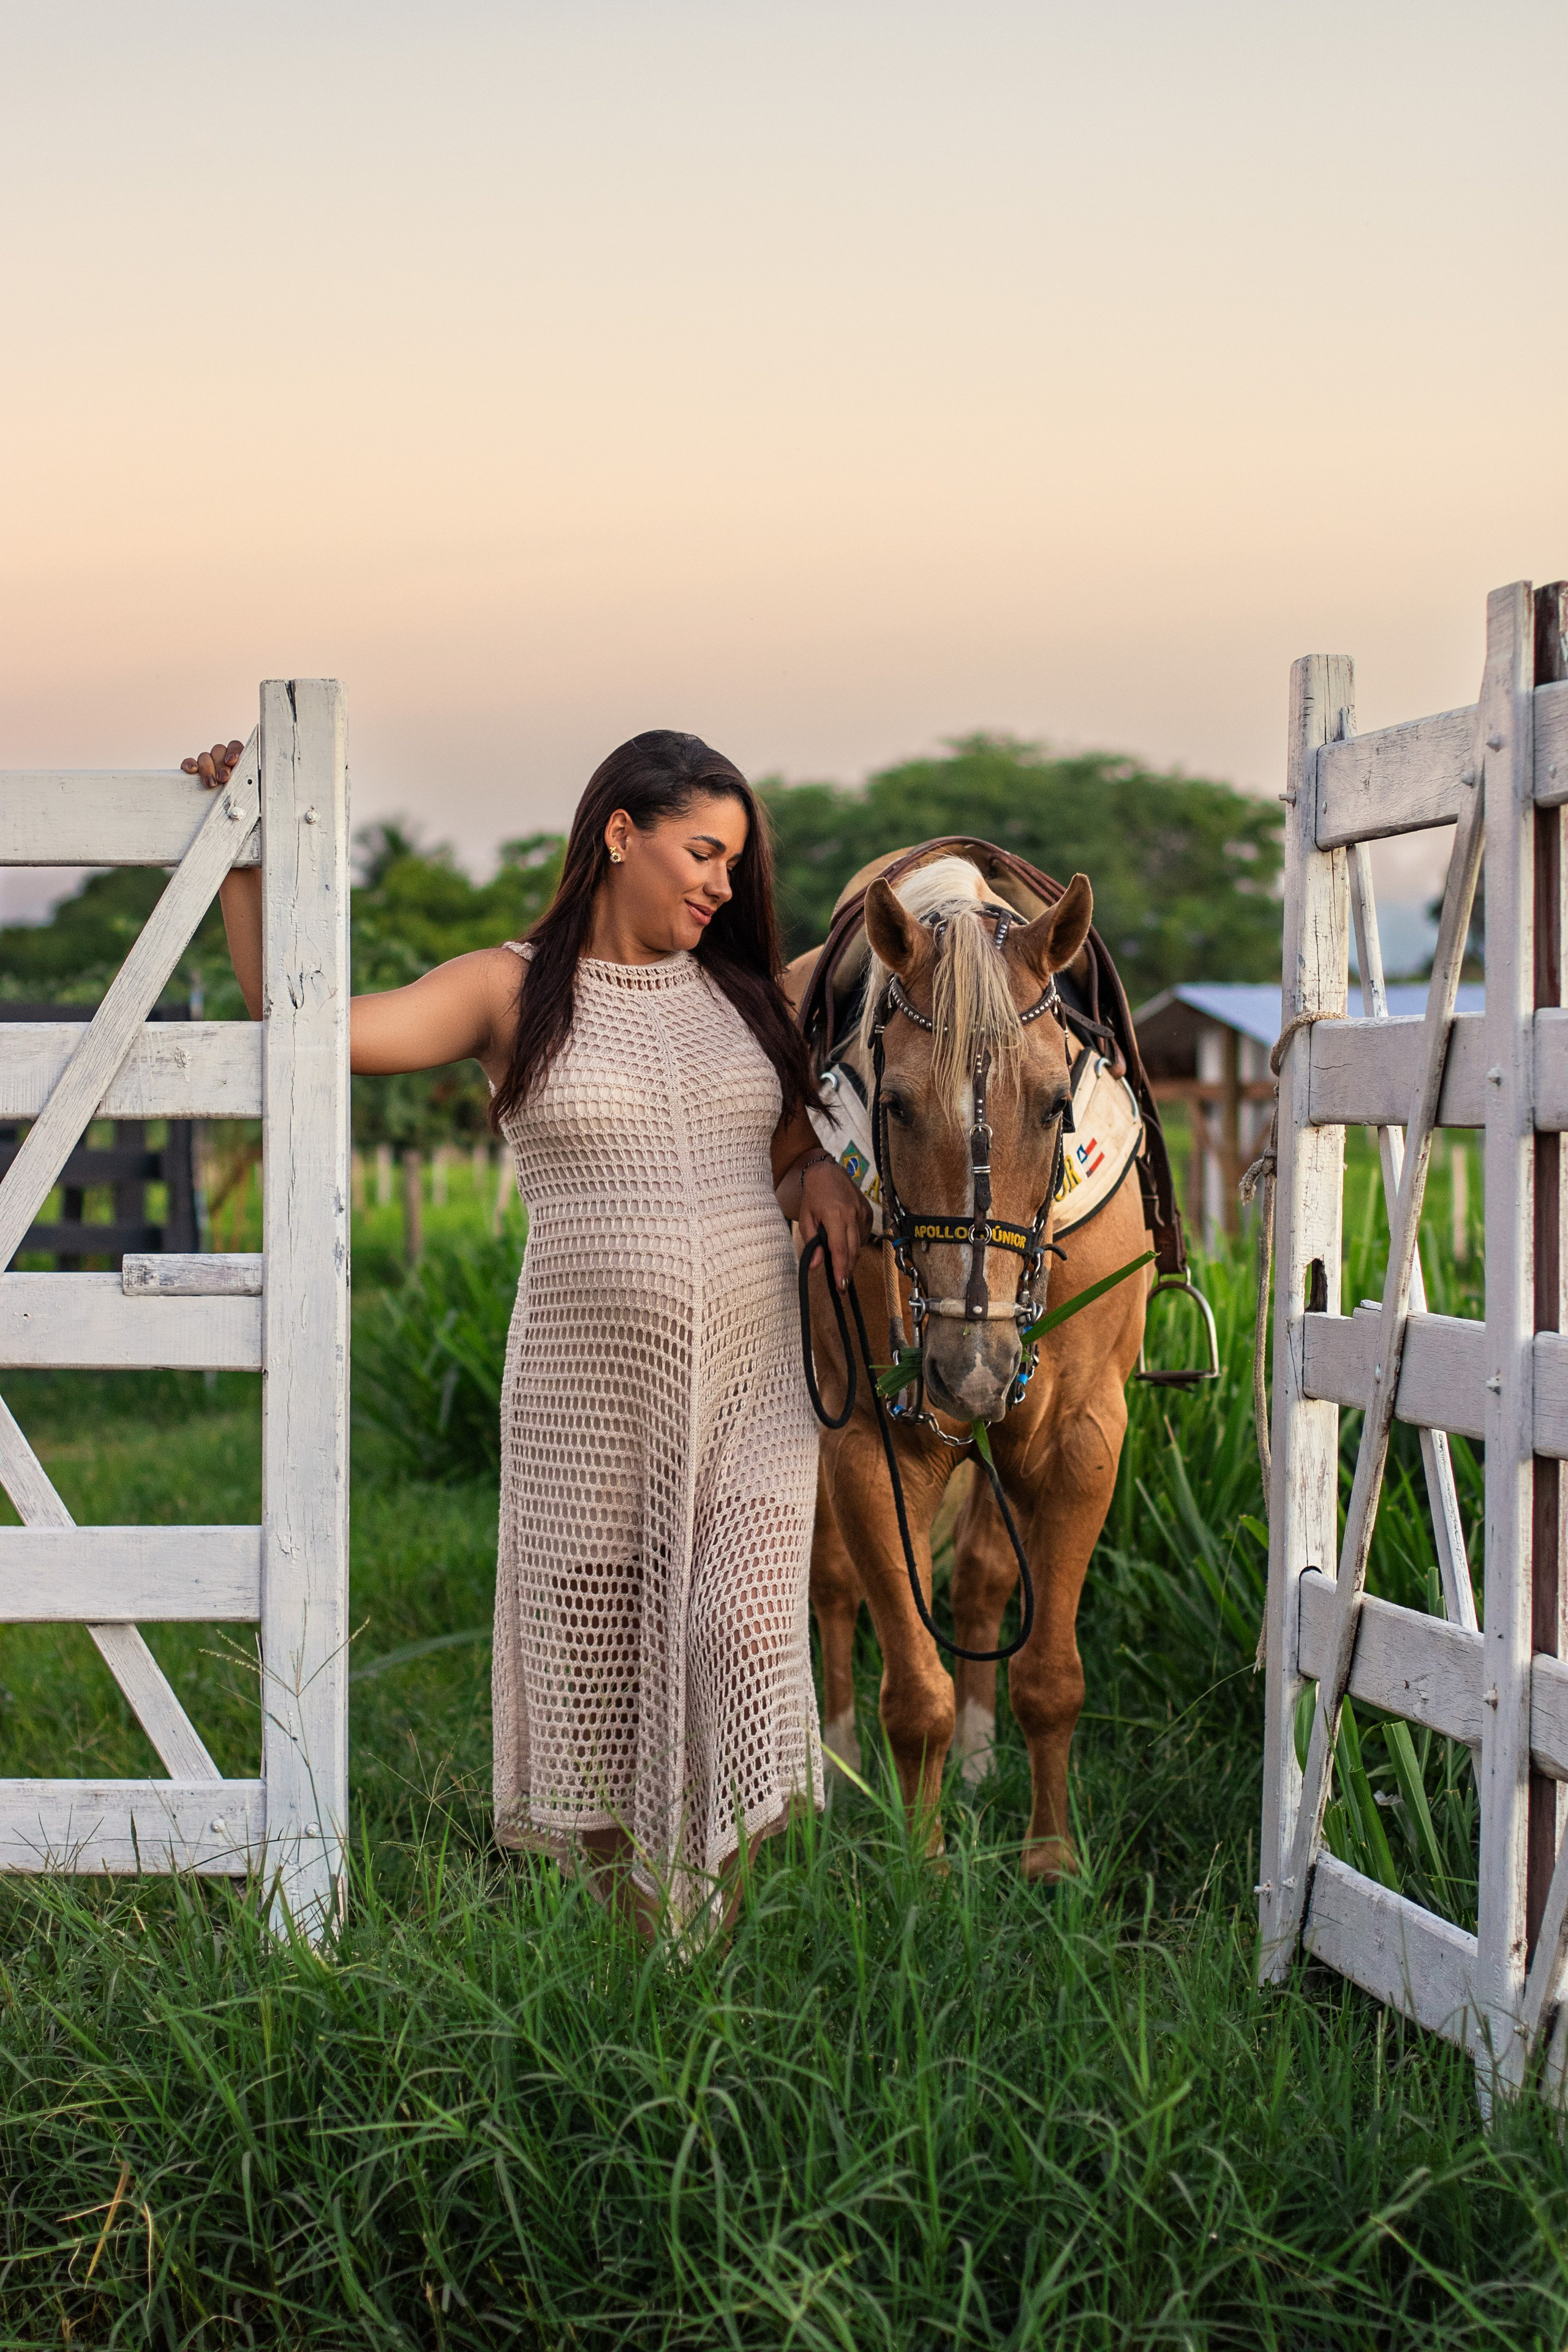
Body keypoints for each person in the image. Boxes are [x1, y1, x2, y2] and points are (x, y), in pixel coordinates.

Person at [184, 727, 867, 1939]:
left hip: (751, 1382)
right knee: (596, 1667)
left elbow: (783, 1149)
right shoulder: (509, 987)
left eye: (732, 863)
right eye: (700, 852)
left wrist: (815, 1174)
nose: (720, 882)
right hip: (584, 1392)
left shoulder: (747, 996)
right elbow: (312, 1023)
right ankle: (639, 1954)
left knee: (749, 1638)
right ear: (619, 833)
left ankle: (708, 1934)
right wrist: (246, 859)